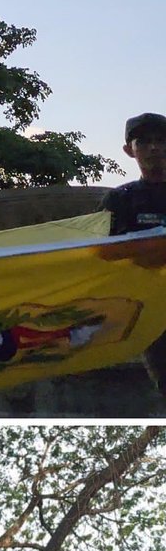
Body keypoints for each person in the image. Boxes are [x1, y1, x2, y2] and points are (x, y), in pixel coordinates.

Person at [101, 112, 166, 390]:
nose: (154, 148)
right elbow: (102, 253)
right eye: (144, 142)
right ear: (130, 150)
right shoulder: (120, 200)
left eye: (161, 141)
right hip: (149, 312)